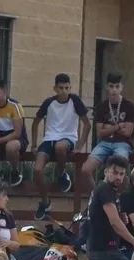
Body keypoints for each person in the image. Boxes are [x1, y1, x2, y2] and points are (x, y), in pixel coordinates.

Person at [32, 73, 91, 219]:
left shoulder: (75, 100)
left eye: (67, 88)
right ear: (55, 88)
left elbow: (87, 124)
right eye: (61, 88)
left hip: (68, 138)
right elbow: (35, 122)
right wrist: (33, 145)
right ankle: (45, 202)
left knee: (60, 147)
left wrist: (79, 146)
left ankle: (61, 173)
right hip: (49, 138)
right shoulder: (49, 102)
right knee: (38, 169)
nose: (64, 91)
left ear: (70, 88)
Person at [82, 73, 134, 196]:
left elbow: (128, 132)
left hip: (122, 143)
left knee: (120, 167)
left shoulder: (129, 106)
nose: (114, 90)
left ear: (121, 87)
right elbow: (100, 133)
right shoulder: (102, 106)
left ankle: (123, 199)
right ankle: (98, 196)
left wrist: (108, 127)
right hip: (105, 143)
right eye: (111, 86)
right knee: (85, 170)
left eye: (117, 86)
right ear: (107, 87)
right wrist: (118, 126)